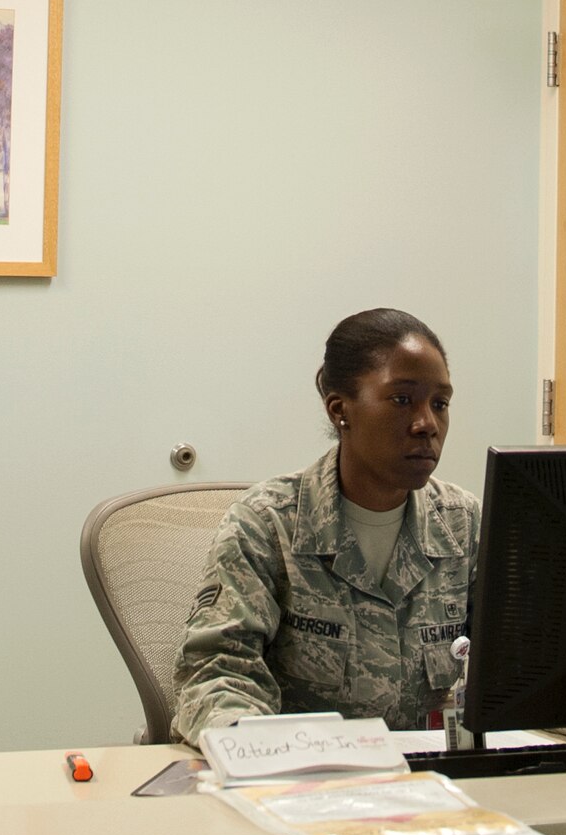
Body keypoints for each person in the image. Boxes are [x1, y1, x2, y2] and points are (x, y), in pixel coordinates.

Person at [172, 308, 480, 748]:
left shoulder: (463, 525)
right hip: (304, 775)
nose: (426, 424)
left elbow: (524, 664)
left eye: (440, 404)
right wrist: (256, 748)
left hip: (436, 777)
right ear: (340, 410)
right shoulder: (268, 524)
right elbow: (216, 671)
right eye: (402, 400)